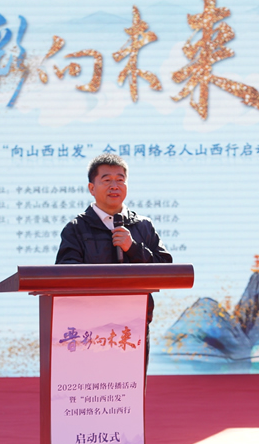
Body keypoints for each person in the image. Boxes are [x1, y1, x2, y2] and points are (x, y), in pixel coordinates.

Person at [56, 154, 172, 364]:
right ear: (92, 188)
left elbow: (165, 270)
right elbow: (65, 274)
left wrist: (133, 248)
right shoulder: (76, 228)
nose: (114, 186)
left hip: (134, 325)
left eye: (120, 180)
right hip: (89, 329)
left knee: (130, 383)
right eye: (107, 180)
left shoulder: (142, 226)